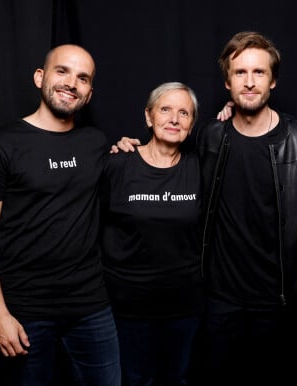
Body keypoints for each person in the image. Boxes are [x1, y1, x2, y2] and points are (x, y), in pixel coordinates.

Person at [116, 31, 297, 386]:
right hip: (217, 300)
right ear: (227, 82)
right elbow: (166, 156)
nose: (249, 82)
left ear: (273, 80)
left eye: (259, 72)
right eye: (240, 73)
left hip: (280, 301)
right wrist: (124, 148)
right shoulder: (210, 136)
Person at [0, 44, 121, 386]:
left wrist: (127, 147)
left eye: (82, 78)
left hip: (91, 307)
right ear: (40, 77)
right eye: (62, 71)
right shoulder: (0, 145)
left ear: (89, 93)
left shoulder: (95, 142)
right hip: (25, 312)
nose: (71, 83)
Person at [100, 81, 203, 386]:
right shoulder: (117, 164)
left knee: (178, 379)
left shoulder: (201, 167)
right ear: (148, 117)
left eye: (184, 113)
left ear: (192, 124)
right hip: (128, 307)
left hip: (185, 306)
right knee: (136, 380)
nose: (174, 119)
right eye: (166, 109)